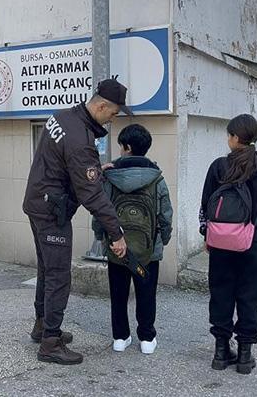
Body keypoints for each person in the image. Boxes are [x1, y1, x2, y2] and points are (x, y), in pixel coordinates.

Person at [23, 78, 132, 365]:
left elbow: (70, 164)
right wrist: (116, 232)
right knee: (59, 275)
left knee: (47, 270)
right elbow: (91, 194)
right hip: (52, 212)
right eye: (113, 113)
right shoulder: (80, 140)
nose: (112, 119)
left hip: (37, 202)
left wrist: (93, 169)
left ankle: (42, 325)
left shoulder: (64, 116)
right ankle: (50, 343)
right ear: (101, 106)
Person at [199, 113, 257, 375]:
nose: (228, 139)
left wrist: (207, 234)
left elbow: (206, 204)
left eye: (229, 135)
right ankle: (245, 355)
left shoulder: (218, 167)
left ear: (235, 137)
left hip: (221, 240)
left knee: (221, 291)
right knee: (250, 294)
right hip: (256, 241)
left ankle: (221, 351)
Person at [92, 123, 173, 355]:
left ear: (127, 147)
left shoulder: (110, 177)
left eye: (121, 146)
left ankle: (120, 338)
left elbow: (101, 212)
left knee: (118, 294)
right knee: (146, 293)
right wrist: (163, 240)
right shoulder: (156, 178)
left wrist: (100, 236)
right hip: (149, 249)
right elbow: (165, 215)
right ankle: (147, 339)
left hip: (117, 248)